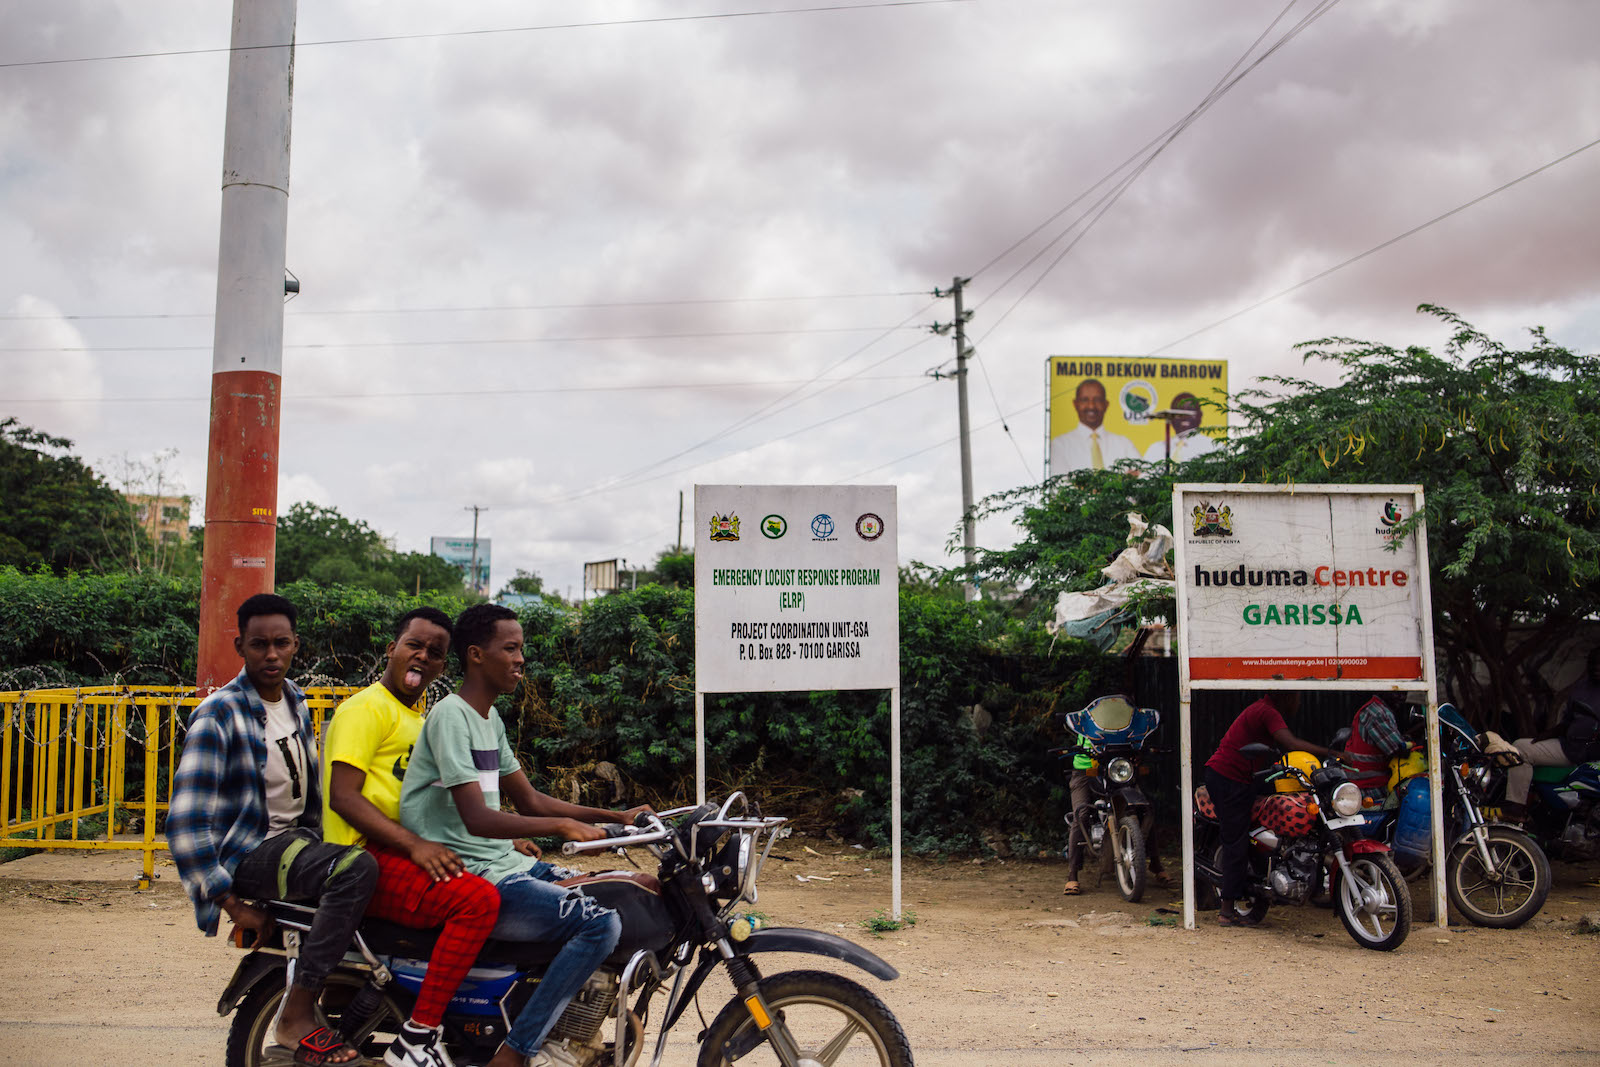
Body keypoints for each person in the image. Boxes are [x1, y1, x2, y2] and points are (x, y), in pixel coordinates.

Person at [401, 604, 651, 1067]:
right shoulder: (450, 716)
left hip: (506, 864)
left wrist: (619, 816)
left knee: (624, 892)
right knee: (600, 924)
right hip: (474, 873)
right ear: (476, 655)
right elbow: (477, 818)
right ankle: (517, 1053)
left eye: (522, 649)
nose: (520, 660)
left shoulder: (488, 720)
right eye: (510, 649)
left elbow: (531, 800)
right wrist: (560, 827)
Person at [169, 593, 376, 1066]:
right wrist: (229, 902)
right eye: (259, 644)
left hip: (296, 844)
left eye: (281, 643)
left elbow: (309, 794)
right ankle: (297, 1013)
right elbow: (185, 823)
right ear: (240, 645)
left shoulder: (295, 699)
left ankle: (348, 999)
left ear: (295, 644)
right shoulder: (218, 714)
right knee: (354, 870)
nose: (271, 654)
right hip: (254, 852)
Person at [323, 607, 502, 1067]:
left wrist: (500, 842)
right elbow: (344, 797)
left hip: (400, 848)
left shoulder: (418, 719)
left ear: (444, 666)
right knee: (476, 901)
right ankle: (418, 1037)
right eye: (414, 645)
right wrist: (414, 845)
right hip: (362, 857)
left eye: (436, 653)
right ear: (392, 649)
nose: (423, 657)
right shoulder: (365, 709)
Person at [1203, 692, 1341, 926]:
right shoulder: (1267, 711)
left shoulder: (1265, 709)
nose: (1298, 702)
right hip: (1228, 777)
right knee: (1236, 838)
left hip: (1244, 776)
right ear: (1284, 696)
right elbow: (1290, 743)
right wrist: (1333, 753)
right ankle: (1226, 909)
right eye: (1296, 696)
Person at [1503, 647, 1600, 823]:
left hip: (1596, 759)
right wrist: (1548, 733)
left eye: (1599, 664)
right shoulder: (1581, 687)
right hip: (1570, 749)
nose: (1596, 667)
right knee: (1520, 747)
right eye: (1592, 663)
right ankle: (1516, 807)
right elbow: (1568, 722)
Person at [1049, 378, 1139, 473]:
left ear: (1106, 404)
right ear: (1075, 404)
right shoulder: (1060, 445)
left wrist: (1081, 486)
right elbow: (1061, 484)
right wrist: (1121, 482)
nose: (1091, 406)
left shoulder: (1124, 444)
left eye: (1097, 400)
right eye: (1085, 400)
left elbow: (1144, 477)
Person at [1344, 692, 1412, 808]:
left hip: (1369, 783)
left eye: (1404, 692)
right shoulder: (1377, 713)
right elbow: (1397, 749)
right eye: (1397, 692)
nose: (1401, 697)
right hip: (1369, 787)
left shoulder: (1378, 709)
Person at [1142, 392, 1219, 463]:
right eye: (1178, 412)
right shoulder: (1156, 449)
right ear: (1171, 417)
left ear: (1200, 415)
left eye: (1190, 410)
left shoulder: (1214, 448)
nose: (1184, 416)